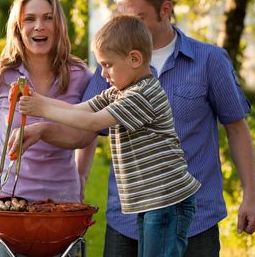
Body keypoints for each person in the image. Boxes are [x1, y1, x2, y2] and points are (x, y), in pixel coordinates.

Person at [9, 0, 255, 256]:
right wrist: (41, 128)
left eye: (136, 18)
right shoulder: (114, 70)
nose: (125, 25)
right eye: (120, 17)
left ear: (165, 10)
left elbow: (237, 128)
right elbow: (83, 127)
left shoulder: (207, 61)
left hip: (188, 213)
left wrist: (250, 197)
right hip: (127, 217)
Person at [18, 14, 201, 256]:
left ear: (134, 59)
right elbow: (77, 110)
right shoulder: (118, 92)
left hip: (167, 200)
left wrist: (42, 110)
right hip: (151, 201)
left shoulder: (142, 94)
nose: (103, 74)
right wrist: (38, 100)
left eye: (107, 65)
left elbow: (92, 122)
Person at [0, 0, 95, 256]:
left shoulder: (79, 74)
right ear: (18, 26)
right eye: (30, 19)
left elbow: (90, 127)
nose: (39, 26)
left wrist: (83, 173)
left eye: (48, 17)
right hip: (9, 204)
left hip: (63, 204)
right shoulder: (1, 76)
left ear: (59, 24)